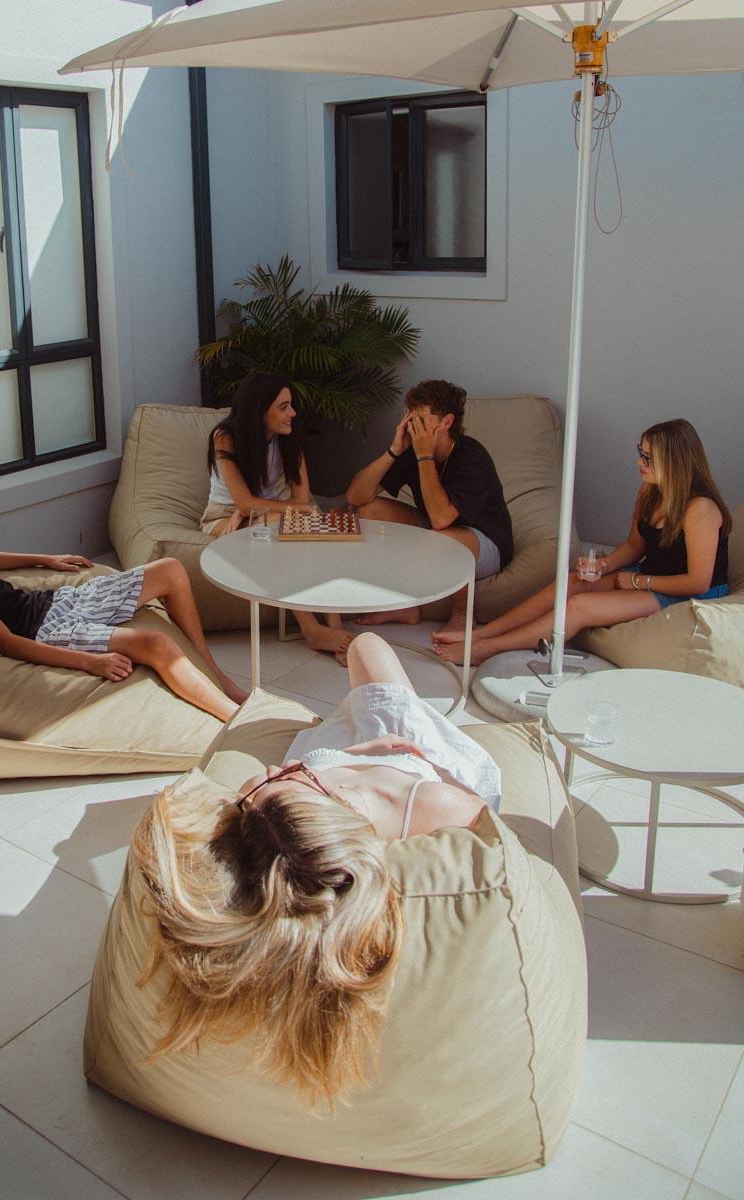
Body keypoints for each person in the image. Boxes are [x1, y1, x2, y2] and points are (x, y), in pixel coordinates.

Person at [133, 632, 500, 1108]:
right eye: (290, 775)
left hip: (353, 755)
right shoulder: (432, 806)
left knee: (361, 651)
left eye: (270, 781)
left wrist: (360, 754)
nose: (272, 770)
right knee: (367, 645)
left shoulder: (268, 811)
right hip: (408, 762)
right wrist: (390, 755)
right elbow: (483, 820)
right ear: (326, 804)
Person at [0, 484, 246, 722]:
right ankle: (233, 716)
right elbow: (5, 642)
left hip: (54, 601)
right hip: (45, 630)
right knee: (155, 643)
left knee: (170, 569)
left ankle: (217, 676)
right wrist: (92, 662)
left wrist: (47, 559)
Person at [433, 417, 732, 666]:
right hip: (649, 576)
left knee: (579, 606)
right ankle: (481, 633)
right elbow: (634, 547)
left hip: (687, 591)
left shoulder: (700, 509)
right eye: (640, 453)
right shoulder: (650, 492)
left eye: (648, 458)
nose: (639, 462)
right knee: (571, 581)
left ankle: (489, 648)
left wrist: (638, 581)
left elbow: (698, 582)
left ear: (674, 461)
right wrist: (603, 566)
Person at [202, 371, 354, 663]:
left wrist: (252, 509)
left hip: (265, 510)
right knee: (279, 524)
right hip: (221, 516)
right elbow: (245, 502)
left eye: (291, 405)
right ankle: (311, 630)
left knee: (307, 524)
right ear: (260, 410)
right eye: (283, 407)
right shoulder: (225, 437)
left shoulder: (289, 437)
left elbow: (301, 501)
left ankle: (334, 626)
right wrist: (245, 509)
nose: (292, 413)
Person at [346, 379, 513, 632]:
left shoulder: (471, 456)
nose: (413, 427)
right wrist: (394, 450)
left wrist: (424, 456)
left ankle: (462, 614)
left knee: (444, 538)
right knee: (370, 511)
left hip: (484, 541)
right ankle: (405, 605)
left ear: (446, 422)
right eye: (410, 418)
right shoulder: (411, 449)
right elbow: (356, 496)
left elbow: (441, 519)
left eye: (422, 420)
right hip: (437, 533)